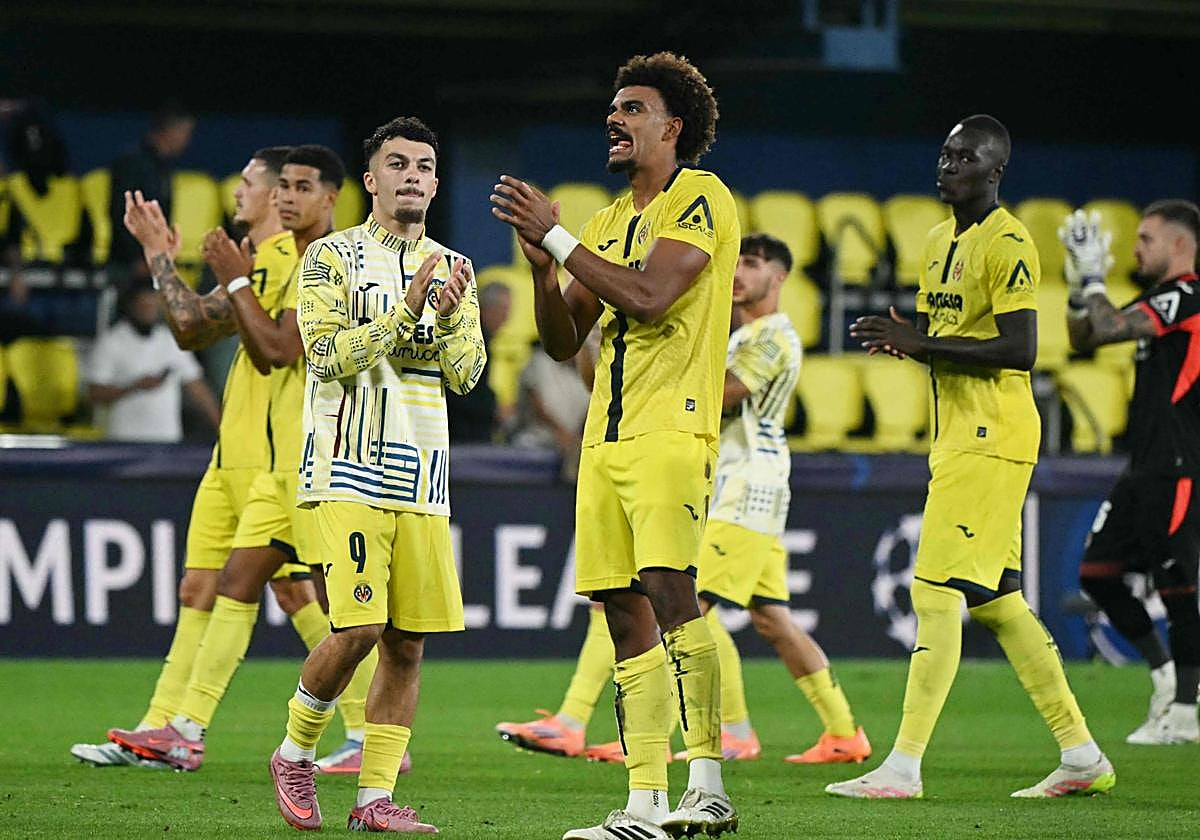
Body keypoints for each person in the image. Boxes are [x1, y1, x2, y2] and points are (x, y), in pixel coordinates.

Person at [497, 235, 870, 769]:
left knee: (678, 606)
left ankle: (583, 720)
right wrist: (600, 343)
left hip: (746, 489)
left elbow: (716, 397)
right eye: (737, 262)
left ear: (781, 277)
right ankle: (837, 732)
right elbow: (607, 386)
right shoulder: (737, 336)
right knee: (772, 619)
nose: (740, 273)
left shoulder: (772, 338)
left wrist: (656, 362)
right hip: (731, 486)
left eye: (755, 264)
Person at [828, 115, 1115, 800]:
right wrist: (907, 336)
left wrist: (922, 344)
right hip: (959, 433)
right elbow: (944, 330)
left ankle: (903, 765)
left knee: (932, 591)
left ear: (995, 171)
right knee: (996, 601)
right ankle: (1081, 754)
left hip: (993, 432)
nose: (947, 164)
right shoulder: (935, 242)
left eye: (964, 157)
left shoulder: (1009, 240)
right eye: (945, 152)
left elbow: (1019, 348)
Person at [492, 52, 739, 840]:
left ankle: (708, 786)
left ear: (672, 127)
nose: (615, 118)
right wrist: (540, 269)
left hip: (673, 426)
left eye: (632, 109)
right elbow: (565, 340)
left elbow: (651, 295)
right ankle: (643, 802)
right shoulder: (602, 223)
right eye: (614, 108)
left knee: (671, 593)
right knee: (622, 613)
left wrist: (557, 238)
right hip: (605, 438)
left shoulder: (699, 197)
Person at [105, 146, 382, 773]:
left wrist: (227, 278)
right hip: (262, 459)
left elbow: (276, 350)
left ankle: (370, 736)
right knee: (243, 586)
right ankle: (178, 728)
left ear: (330, 195)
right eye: (276, 184)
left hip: (309, 458)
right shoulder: (271, 258)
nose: (274, 195)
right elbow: (203, 329)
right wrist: (217, 273)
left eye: (293, 185)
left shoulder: (323, 261)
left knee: (342, 608)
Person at [69, 147, 322, 769]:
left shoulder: (285, 261)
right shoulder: (258, 261)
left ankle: (368, 731)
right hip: (231, 455)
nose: (239, 193)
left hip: (270, 460)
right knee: (203, 589)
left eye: (249, 183)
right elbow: (196, 323)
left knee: (279, 595)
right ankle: (157, 728)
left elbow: (191, 327)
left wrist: (160, 255)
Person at [267, 117, 483, 833]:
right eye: (399, 163)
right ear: (371, 179)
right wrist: (410, 310)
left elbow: (467, 375)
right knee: (358, 625)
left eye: (425, 165)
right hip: (345, 467)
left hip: (422, 473)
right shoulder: (330, 257)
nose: (414, 175)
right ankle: (296, 749)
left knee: (408, 643)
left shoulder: (457, 266)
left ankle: (373, 799)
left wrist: (449, 320)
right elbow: (325, 356)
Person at [1063, 200, 1200, 745]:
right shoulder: (1159, 300)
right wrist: (1078, 288)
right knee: (1097, 575)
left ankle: (1187, 715)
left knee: (1178, 587)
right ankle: (1166, 680)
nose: (1136, 247)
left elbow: (1110, 326)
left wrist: (1095, 279)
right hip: (1143, 467)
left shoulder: (1187, 296)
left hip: (1178, 465)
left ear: (1180, 245)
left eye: (1146, 238)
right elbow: (1087, 336)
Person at [88, 279, 220, 442]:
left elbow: (198, 389)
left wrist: (223, 428)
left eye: (152, 307)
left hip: (167, 443)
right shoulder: (111, 342)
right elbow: (94, 394)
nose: (149, 312)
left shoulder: (170, 341)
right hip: (124, 442)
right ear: (131, 306)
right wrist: (135, 386)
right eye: (144, 307)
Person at [107, 103, 196, 279]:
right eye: (185, 133)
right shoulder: (131, 164)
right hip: (129, 264)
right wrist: (136, 259)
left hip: (154, 258)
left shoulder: (163, 168)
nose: (187, 140)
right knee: (149, 302)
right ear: (170, 130)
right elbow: (119, 212)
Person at [446, 280, 510, 442]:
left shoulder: (482, 338)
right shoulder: (473, 341)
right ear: (488, 309)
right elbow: (464, 390)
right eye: (503, 311)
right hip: (462, 432)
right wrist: (493, 407)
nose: (506, 319)